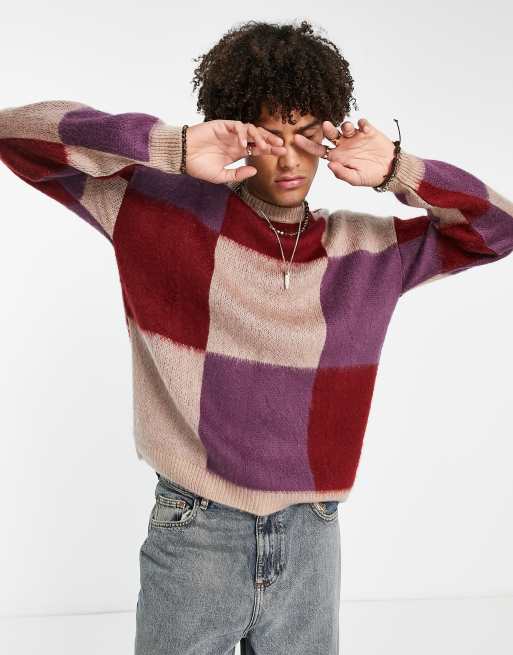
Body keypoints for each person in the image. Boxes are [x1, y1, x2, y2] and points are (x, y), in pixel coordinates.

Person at [1, 18, 512, 655]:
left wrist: (399, 170)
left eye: (307, 134)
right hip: (196, 533)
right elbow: (16, 135)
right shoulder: (158, 213)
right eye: (271, 135)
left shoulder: (366, 250)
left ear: (330, 134)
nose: (290, 158)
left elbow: (498, 230)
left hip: (312, 540)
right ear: (238, 131)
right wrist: (171, 147)